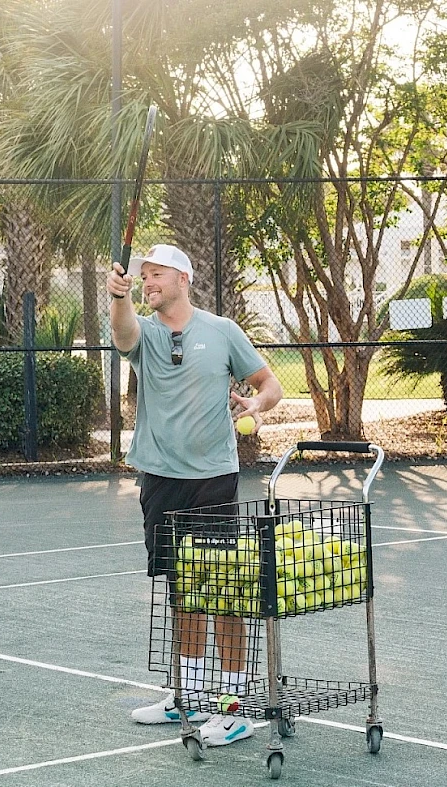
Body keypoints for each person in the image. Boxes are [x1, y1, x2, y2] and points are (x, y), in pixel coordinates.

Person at [106, 243, 283, 746]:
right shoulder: (146, 331)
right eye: (143, 279)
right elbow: (123, 334)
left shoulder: (223, 331)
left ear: (183, 277)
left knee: (221, 589)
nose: (148, 284)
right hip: (160, 480)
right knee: (181, 589)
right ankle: (186, 694)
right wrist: (117, 296)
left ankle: (232, 707)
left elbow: (270, 384)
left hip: (212, 479)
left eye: (156, 275)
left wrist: (256, 402)